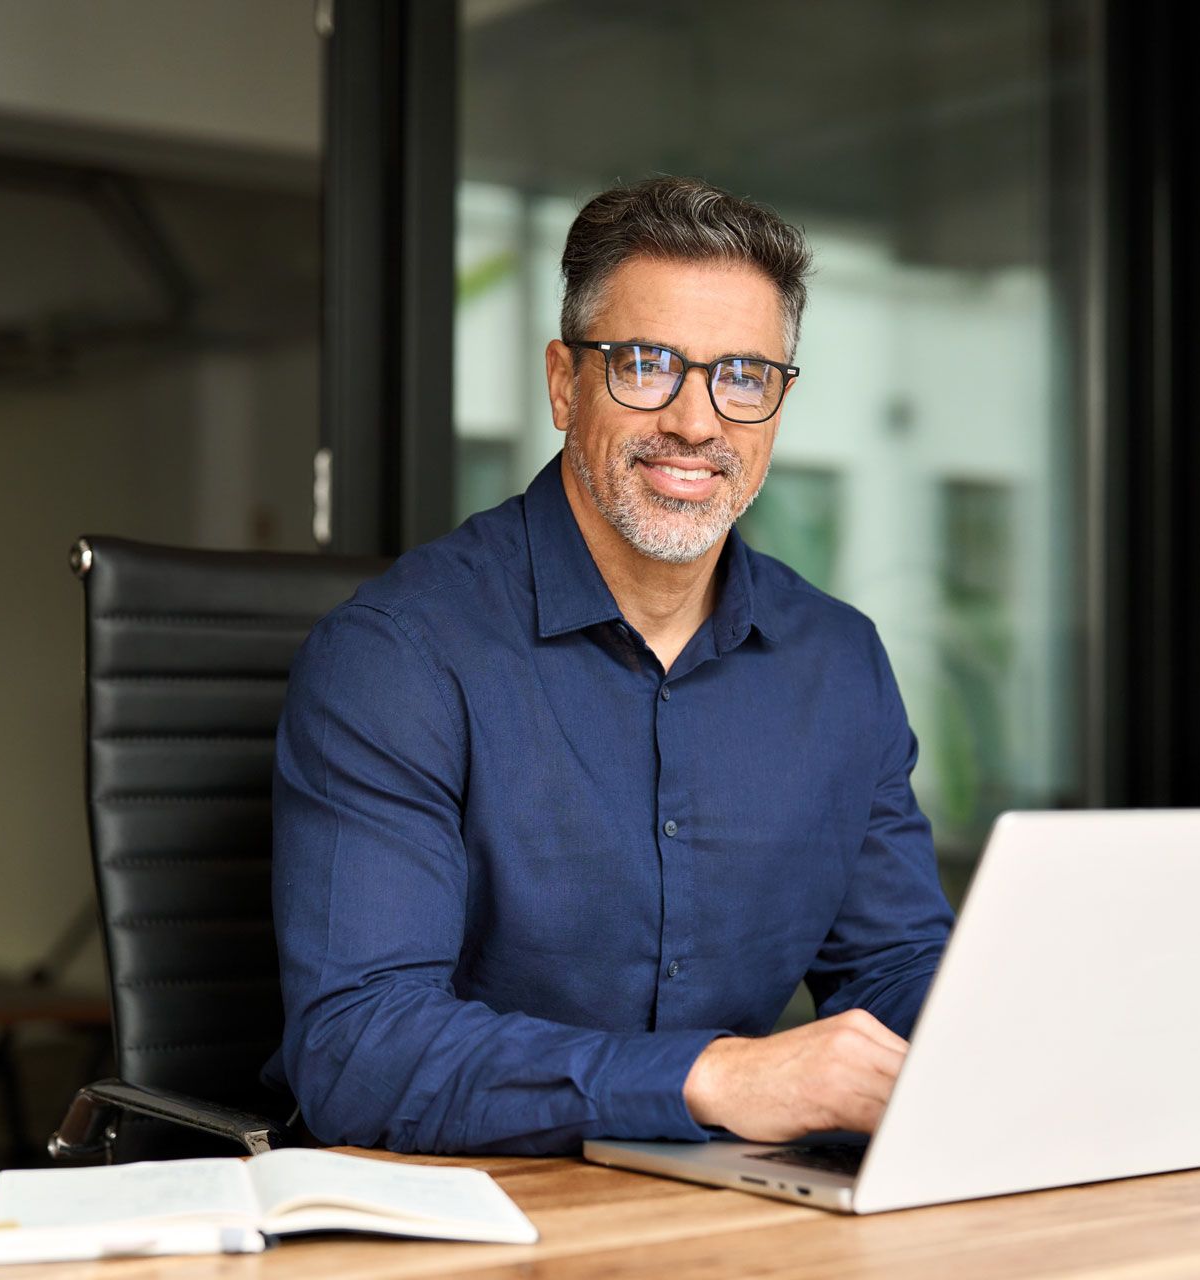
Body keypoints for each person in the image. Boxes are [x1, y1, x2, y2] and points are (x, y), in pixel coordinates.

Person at [264, 176, 954, 1155]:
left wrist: (1022, 1037)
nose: (697, 421)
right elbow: (359, 1047)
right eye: (647, 364)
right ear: (562, 382)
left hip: (737, 1209)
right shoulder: (397, 658)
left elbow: (892, 968)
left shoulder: (838, 663)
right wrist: (709, 1076)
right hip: (472, 1210)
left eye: (744, 374)